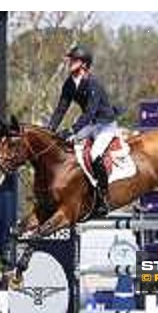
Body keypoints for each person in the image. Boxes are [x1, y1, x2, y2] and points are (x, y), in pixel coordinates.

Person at [48, 44, 120, 215]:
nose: (70, 62)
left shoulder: (93, 83)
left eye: (74, 60)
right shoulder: (69, 83)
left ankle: (103, 198)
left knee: (95, 155)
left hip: (105, 125)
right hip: (90, 125)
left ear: (84, 64)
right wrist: (49, 130)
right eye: (70, 59)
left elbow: (89, 113)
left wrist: (72, 130)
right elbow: (61, 109)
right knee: (66, 147)